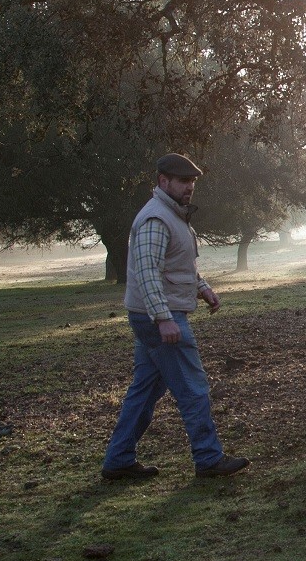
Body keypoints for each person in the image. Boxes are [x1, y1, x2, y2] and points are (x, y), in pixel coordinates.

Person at [101, 152, 249, 481]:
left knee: (145, 391)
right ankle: (209, 458)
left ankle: (119, 459)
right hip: (160, 319)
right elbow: (147, 274)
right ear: (163, 181)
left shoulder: (173, 216)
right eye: (183, 181)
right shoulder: (156, 218)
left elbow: (178, 265)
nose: (189, 187)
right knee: (193, 387)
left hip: (156, 316)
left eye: (192, 182)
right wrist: (163, 318)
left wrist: (203, 288)